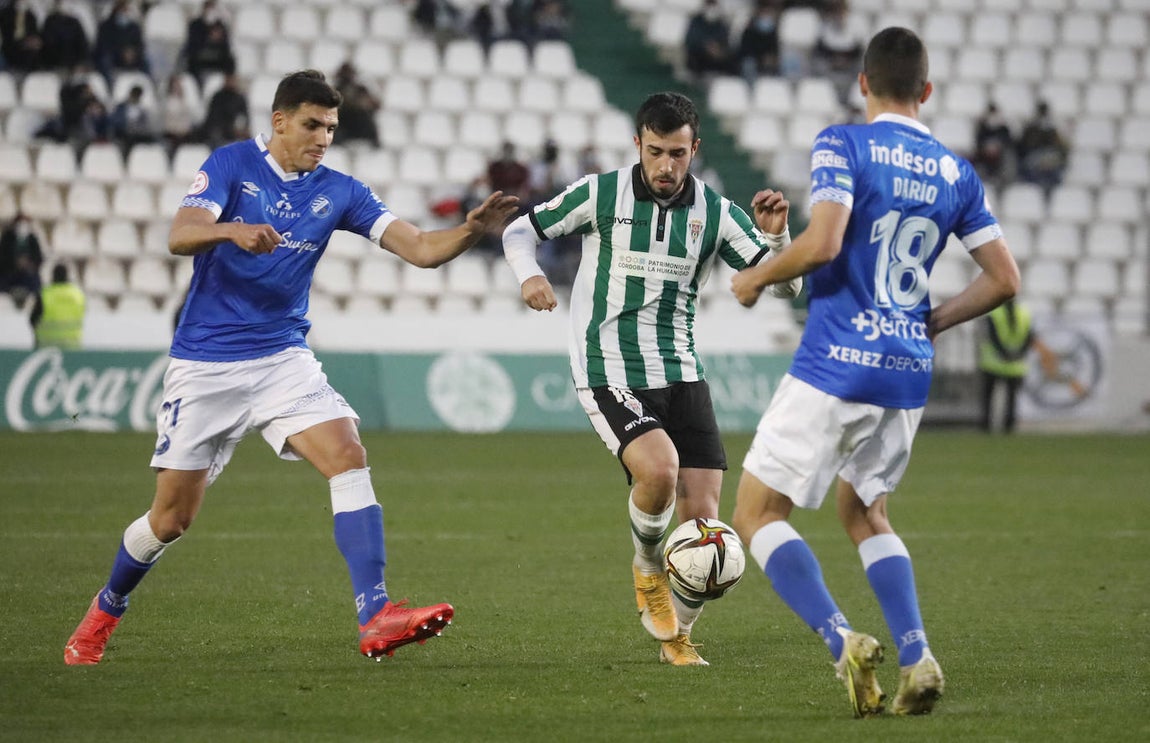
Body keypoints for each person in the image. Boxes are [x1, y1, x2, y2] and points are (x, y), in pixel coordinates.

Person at [63, 69, 520, 666]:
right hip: (206, 363)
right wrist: (232, 230)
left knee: (348, 454)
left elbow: (421, 249)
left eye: (331, 127)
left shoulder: (342, 190)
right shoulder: (229, 165)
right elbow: (179, 236)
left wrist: (468, 231)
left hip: (282, 358)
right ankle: (103, 613)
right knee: (172, 518)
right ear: (279, 122)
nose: (323, 137)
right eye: (312, 125)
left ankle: (376, 614)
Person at [729, 27, 1020, 717]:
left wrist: (755, 275)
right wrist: (933, 321)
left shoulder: (844, 144)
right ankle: (918, 655)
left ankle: (842, 640)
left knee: (755, 511)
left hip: (837, 360)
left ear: (863, 83)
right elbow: (1004, 279)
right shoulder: (956, 172)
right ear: (925, 90)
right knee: (864, 509)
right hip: (906, 371)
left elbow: (826, 239)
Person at [502, 91, 801, 666]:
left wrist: (779, 240)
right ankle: (645, 568)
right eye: (657, 152)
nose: (667, 167)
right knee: (659, 470)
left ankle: (677, 638)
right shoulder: (601, 193)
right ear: (638, 143)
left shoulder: (715, 213)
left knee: (705, 529)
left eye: (679, 154)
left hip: (683, 372)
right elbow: (520, 229)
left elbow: (785, 288)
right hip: (608, 365)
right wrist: (528, 275)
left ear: (696, 149)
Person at [978, 298, 1033, 433]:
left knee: (989, 397)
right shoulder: (1024, 313)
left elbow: (992, 336)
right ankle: (1009, 426)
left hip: (994, 363)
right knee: (1011, 398)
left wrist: (1004, 353)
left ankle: (986, 426)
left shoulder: (994, 313)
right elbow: (1030, 337)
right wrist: (1019, 353)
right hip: (1015, 364)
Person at [1016, 100, 1069, 196]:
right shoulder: (1030, 128)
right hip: (1034, 158)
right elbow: (1023, 147)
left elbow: (1061, 148)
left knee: (1053, 164)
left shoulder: (1053, 129)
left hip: (1050, 158)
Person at [93, 0, 150, 86]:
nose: (124, 13)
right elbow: (103, 46)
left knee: (145, 62)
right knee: (105, 61)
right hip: (114, 57)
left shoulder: (134, 27)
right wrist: (121, 52)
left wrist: (134, 53)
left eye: (125, 10)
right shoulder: (106, 26)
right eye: (122, 10)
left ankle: (150, 86)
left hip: (131, 58)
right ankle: (110, 87)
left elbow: (140, 45)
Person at [30, 263, 85, 349]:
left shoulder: (45, 294)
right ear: (67, 276)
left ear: (53, 276)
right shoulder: (78, 294)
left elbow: (33, 320)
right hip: (73, 346)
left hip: (47, 345)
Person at [183, 0, 235, 88]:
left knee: (230, 62)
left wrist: (218, 40)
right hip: (199, 61)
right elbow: (192, 46)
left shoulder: (221, 26)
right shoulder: (195, 25)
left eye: (213, 9)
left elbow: (226, 49)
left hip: (217, 62)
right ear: (204, 9)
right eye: (209, 9)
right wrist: (208, 37)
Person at [0, 212, 44, 307]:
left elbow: (39, 258)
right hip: (10, 272)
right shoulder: (7, 238)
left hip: (28, 272)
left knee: (36, 283)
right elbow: (2, 257)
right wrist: (15, 262)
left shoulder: (32, 239)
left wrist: (29, 264)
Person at [684, 0, 735, 80]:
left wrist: (718, 49)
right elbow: (690, 40)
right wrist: (706, 46)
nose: (712, 8)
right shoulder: (696, 21)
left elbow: (725, 41)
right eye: (710, 5)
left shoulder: (721, 24)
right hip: (699, 55)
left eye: (714, 5)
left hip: (716, 56)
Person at [737, 0, 782, 82]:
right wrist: (761, 58)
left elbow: (775, 48)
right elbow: (745, 50)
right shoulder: (749, 30)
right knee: (748, 65)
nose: (767, 16)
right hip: (752, 60)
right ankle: (752, 91)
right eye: (765, 13)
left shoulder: (773, 32)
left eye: (769, 13)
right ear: (759, 13)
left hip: (767, 62)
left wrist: (772, 57)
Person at [972, 101, 1014, 189]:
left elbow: (1008, 142)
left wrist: (998, 145)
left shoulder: (1003, 128)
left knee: (1008, 157)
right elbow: (978, 142)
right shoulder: (982, 127)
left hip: (1000, 155)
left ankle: (1003, 180)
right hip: (984, 154)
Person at [40, 0, 90, 71]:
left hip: (72, 61)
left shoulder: (74, 22)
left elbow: (82, 43)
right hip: (53, 60)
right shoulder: (50, 21)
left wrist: (82, 62)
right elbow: (46, 41)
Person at [0, 0, 42, 72]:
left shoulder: (30, 15)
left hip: (26, 49)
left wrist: (32, 41)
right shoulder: (6, 13)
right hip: (10, 46)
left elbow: (34, 33)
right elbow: (6, 34)